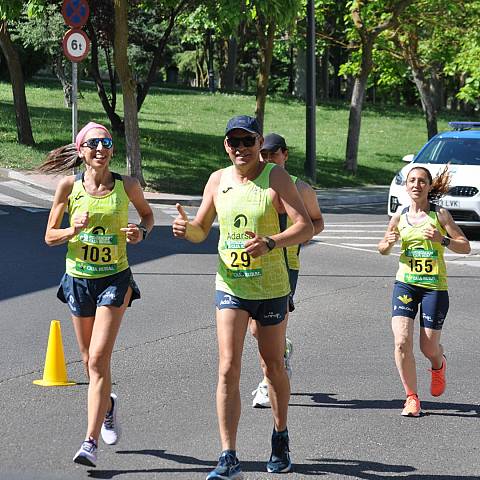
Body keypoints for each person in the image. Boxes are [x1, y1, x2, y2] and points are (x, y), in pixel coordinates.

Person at [173, 115, 313, 478]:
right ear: (226, 145)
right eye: (234, 142)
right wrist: (185, 229)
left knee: (272, 366)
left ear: (259, 142)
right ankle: (228, 454)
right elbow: (201, 230)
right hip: (231, 286)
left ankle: (280, 436)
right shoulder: (217, 180)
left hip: (271, 288)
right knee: (227, 367)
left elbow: (305, 226)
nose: (241, 148)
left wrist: (270, 242)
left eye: (247, 141)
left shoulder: (275, 177)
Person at [40, 122, 154, 466]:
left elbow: (148, 216)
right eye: (93, 144)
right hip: (78, 279)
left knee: (99, 358)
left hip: (114, 280)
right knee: (89, 361)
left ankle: (89, 442)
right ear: (81, 151)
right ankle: (108, 406)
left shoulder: (127, 186)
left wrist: (140, 233)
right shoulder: (68, 187)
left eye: (106, 143)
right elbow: (49, 236)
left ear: (112, 150)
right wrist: (72, 229)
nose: (100, 149)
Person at [378, 166, 470, 417]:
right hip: (405, 284)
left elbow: (466, 247)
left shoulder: (440, 215)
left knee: (428, 348)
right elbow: (383, 246)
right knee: (401, 342)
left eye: (421, 181)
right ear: (406, 187)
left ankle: (438, 364)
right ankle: (411, 397)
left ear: (429, 186)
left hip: (434, 288)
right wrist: (387, 244)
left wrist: (444, 240)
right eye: (412, 181)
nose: (416, 185)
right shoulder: (399, 216)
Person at [251, 133, 324, 408]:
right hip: (252, 264)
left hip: (285, 265)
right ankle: (283, 350)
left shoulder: (300, 188)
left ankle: (267, 380)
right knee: (256, 331)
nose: (268, 159)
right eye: (264, 154)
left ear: (285, 155)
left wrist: (297, 235)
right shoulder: (253, 185)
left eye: (273, 154)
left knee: (269, 326)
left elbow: (317, 222)